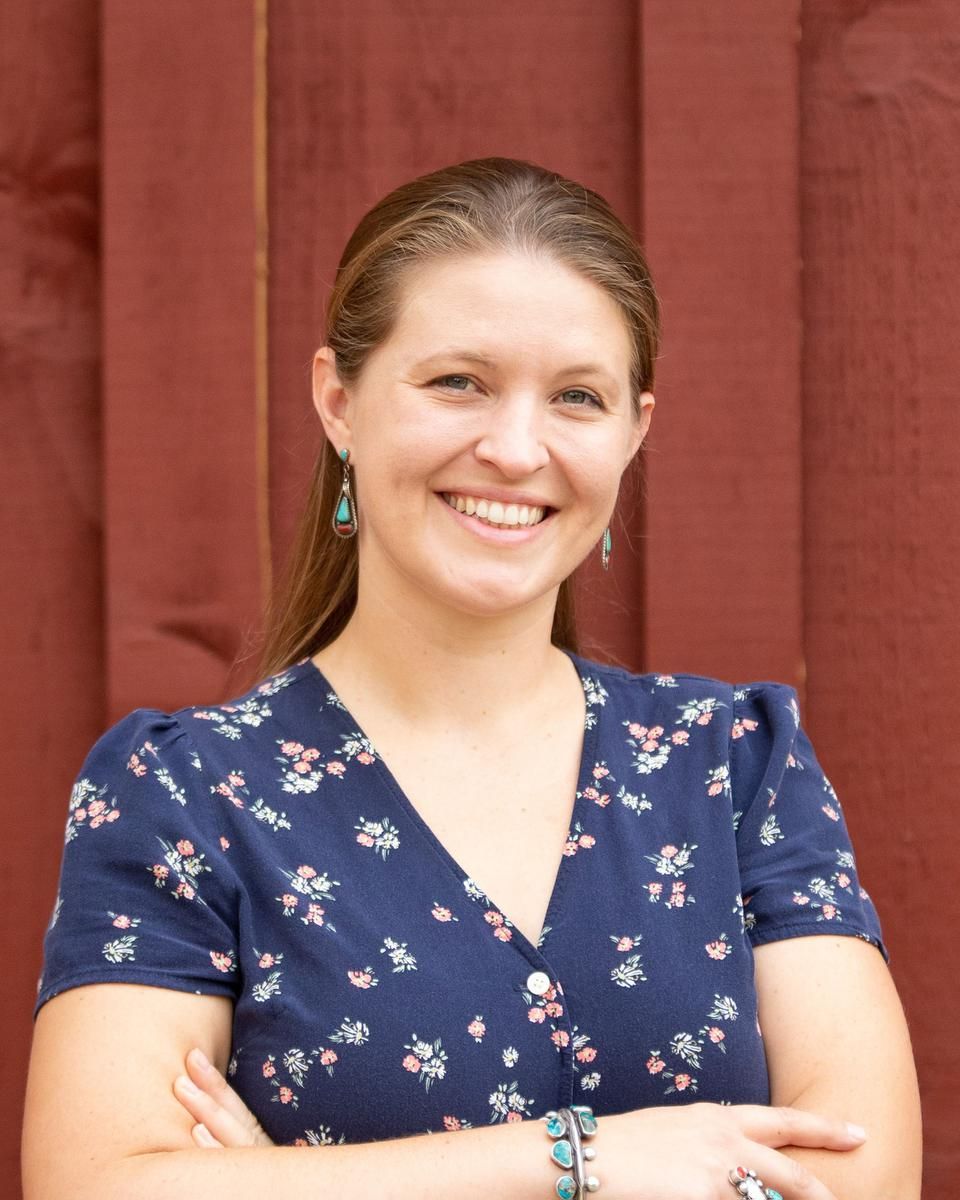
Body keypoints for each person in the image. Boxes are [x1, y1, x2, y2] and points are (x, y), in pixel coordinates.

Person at [22, 158, 920, 1200]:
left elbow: (860, 1176)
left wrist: (300, 1184)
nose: (514, 447)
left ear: (633, 432)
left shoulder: (734, 768)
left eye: (577, 397)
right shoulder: (188, 797)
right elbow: (99, 1186)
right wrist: (587, 1161)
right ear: (339, 401)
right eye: (460, 383)